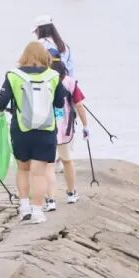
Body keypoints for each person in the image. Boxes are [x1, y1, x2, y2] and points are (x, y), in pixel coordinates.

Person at [0, 41, 68, 224]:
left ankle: (24, 206)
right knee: (39, 173)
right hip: (45, 130)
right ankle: (37, 211)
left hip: (21, 130)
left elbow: (1, 103)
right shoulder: (53, 76)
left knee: (23, 169)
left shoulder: (13, 75)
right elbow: (60, 103)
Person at [49, 60, 90, 207]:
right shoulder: (70, 83)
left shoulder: (45, 81)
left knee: (48, 164)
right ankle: (71, 193)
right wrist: (85, 126)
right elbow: (79, 105)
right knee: (67, 161)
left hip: (46, 129)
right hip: (65, 131)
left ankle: (50, 200)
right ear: (64, 71)